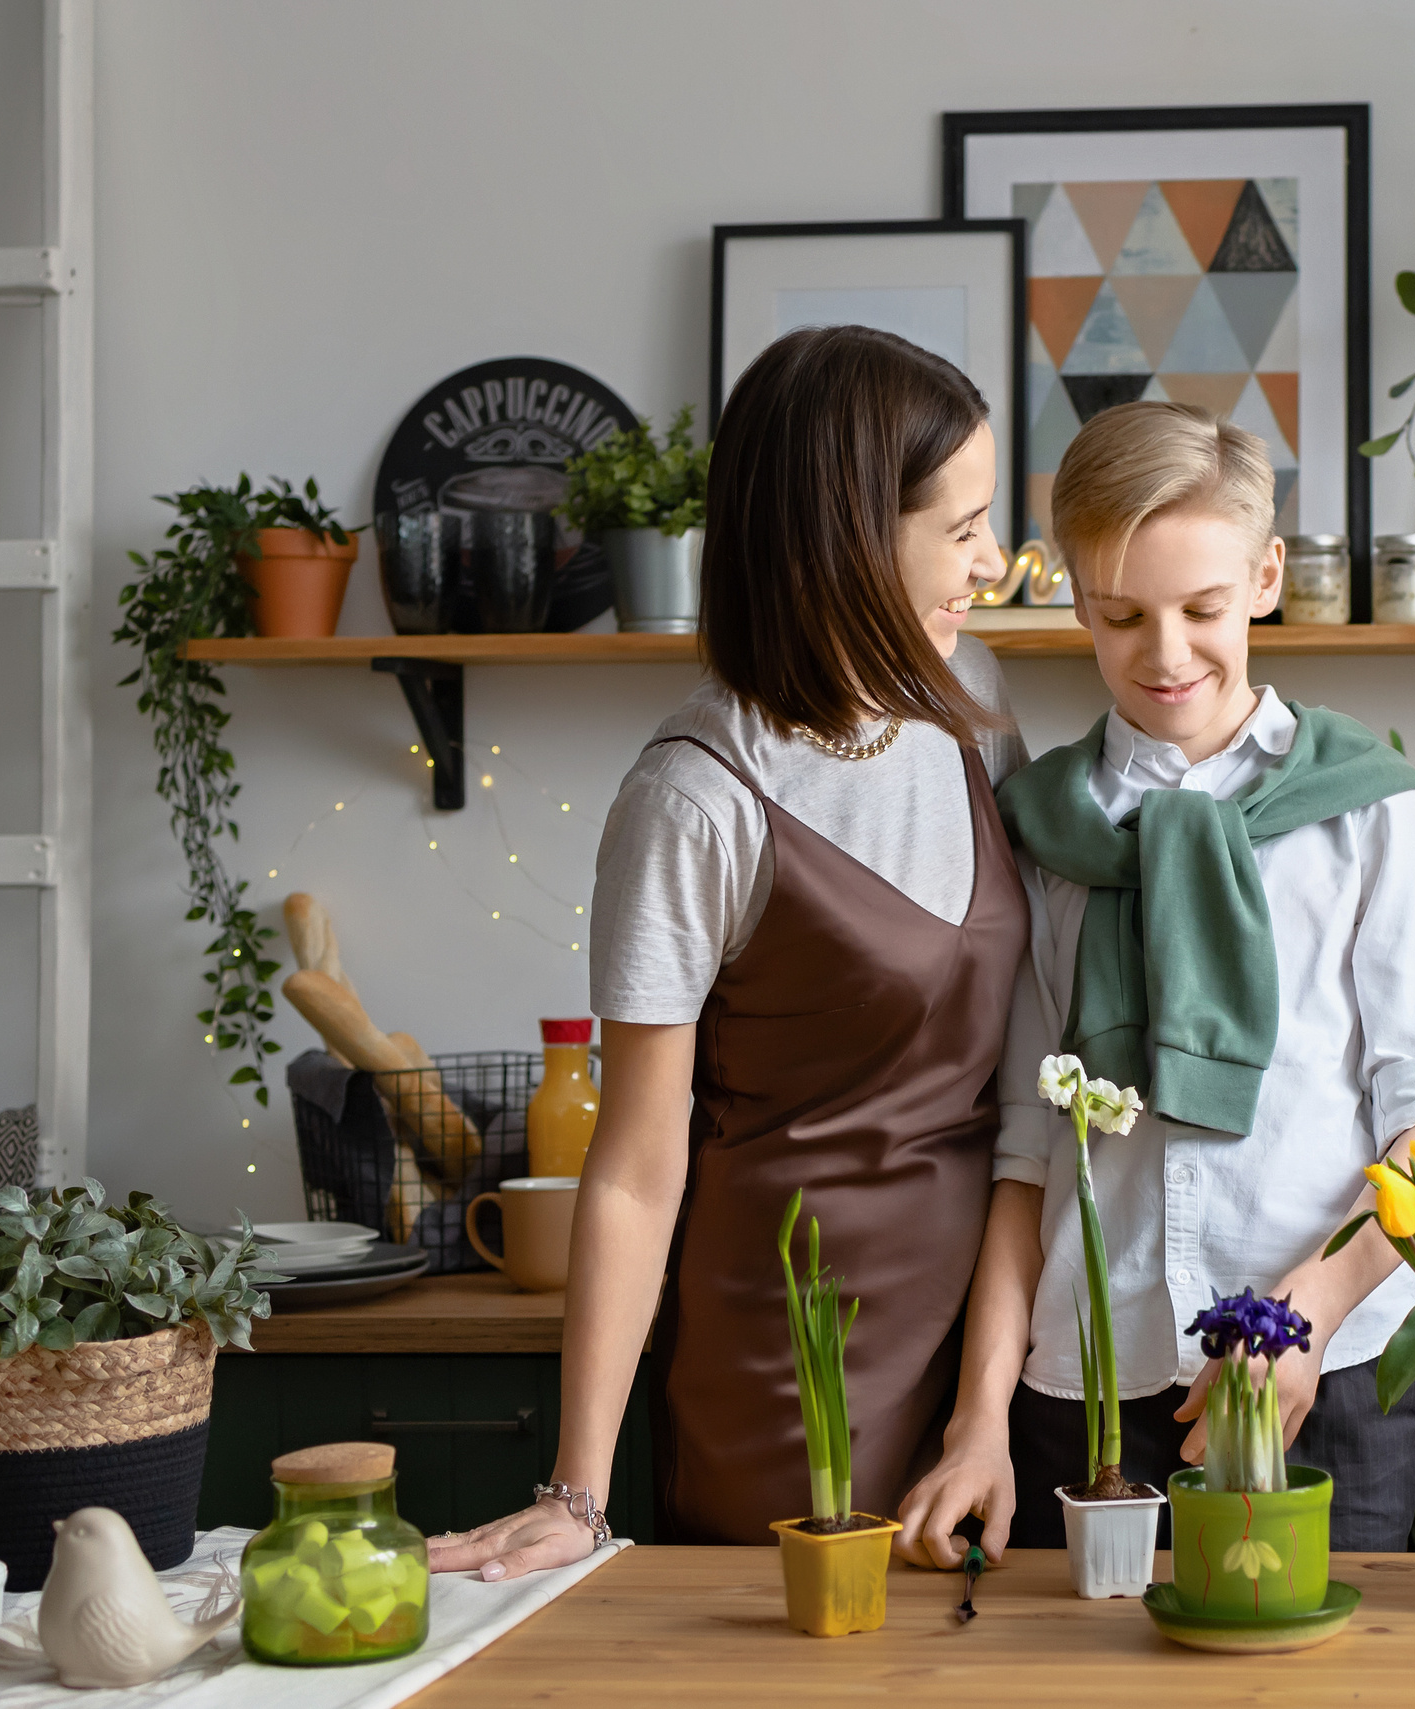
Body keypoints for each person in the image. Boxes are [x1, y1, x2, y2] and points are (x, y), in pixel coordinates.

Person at [429, 325, 1030, 1578]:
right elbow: (635, 1166)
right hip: (791, 1361)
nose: (992, 560)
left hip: (991, 1346)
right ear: (849, 535)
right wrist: (578, 1490)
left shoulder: (971, 705)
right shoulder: (694, 799)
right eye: (963, 527)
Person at [892, 402, 1415, 1567]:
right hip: (1082, 1379)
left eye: (1202, 609)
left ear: (1266, 578)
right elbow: (1025, 1148)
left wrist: (1308, 1312)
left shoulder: (1372, 812)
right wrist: (978, 1420)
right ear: (1077, 599)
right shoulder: (1040, 828)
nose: (1165, 653)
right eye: (1122, 614)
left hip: (1329, 1374)